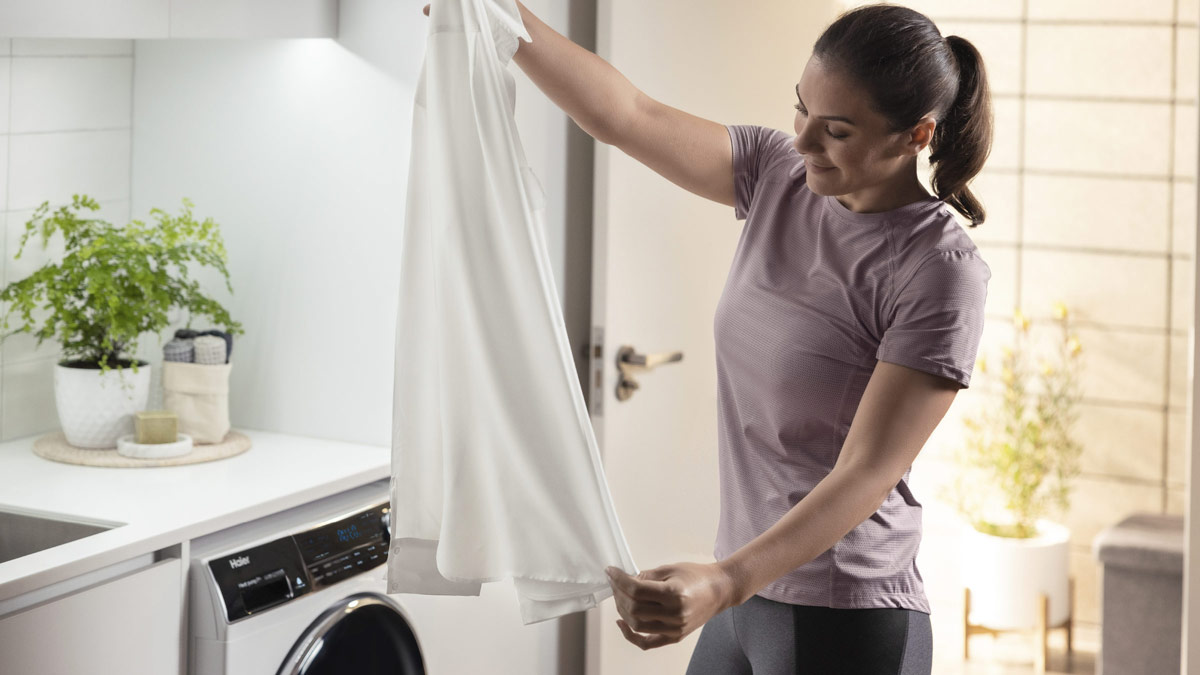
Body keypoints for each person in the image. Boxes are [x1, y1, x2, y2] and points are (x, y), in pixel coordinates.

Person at [423, 2, 992, 673]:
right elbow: (626, 115)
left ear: (915, 135)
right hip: (747, 595)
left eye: (836, 131)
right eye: (800, 110)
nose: (805, 143)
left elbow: (867, 470)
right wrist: (500, 14)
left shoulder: (938, 269)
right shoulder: (780, 175)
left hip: (845, 613)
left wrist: (724, 579)